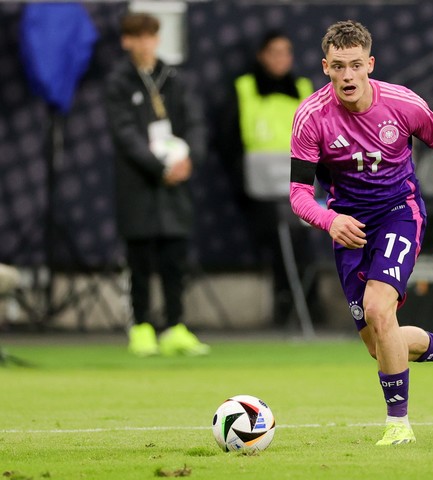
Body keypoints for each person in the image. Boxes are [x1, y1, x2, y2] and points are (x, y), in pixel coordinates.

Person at [289, 20, 433, 445]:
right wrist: (330, 220)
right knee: (381, 344)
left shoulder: (402, 104)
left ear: (370, 65)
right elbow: (298, 194)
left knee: (381, 310)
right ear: (325, 67)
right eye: (339, 66)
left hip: (399, 213)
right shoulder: (311, 117)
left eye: (356, 65)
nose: (347, 76)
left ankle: (397, 424)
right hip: (349, 227)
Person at [105, 12, 209, 357]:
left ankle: (175, 326)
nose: (145, 43)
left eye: (150, 35)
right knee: (140, 259)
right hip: (138, 183)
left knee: (174, 258)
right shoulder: (119, 81)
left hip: (175, 184)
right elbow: (125, 134)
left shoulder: (173, 77)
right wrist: (157, 166)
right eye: (137, 36)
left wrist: (188, 157)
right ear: (127, 41)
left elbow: (194, 121)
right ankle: (142, 327)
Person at [223, 31, 316, 325]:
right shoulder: (245, 87)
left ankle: (306, 304)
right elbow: (228, 137)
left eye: (286, 52)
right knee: (278, 240)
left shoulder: (302, 87)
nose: (281, 59)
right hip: (259, 188)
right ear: (262, 55)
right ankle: (284, 303)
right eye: (274, 52)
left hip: (297, 183)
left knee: (301, 240)